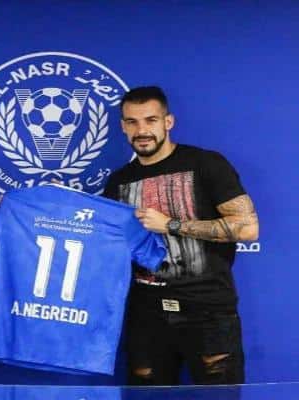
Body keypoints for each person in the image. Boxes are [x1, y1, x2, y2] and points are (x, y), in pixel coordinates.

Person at [103, 86, 259, 385]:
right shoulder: (119, 181)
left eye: (151, 120)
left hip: (208, 312)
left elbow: (247, 228)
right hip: (145, 314)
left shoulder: (205, 163)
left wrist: (171, 225)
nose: (142, 130)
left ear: (168, 122)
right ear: (123, 127)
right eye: (132, 122)